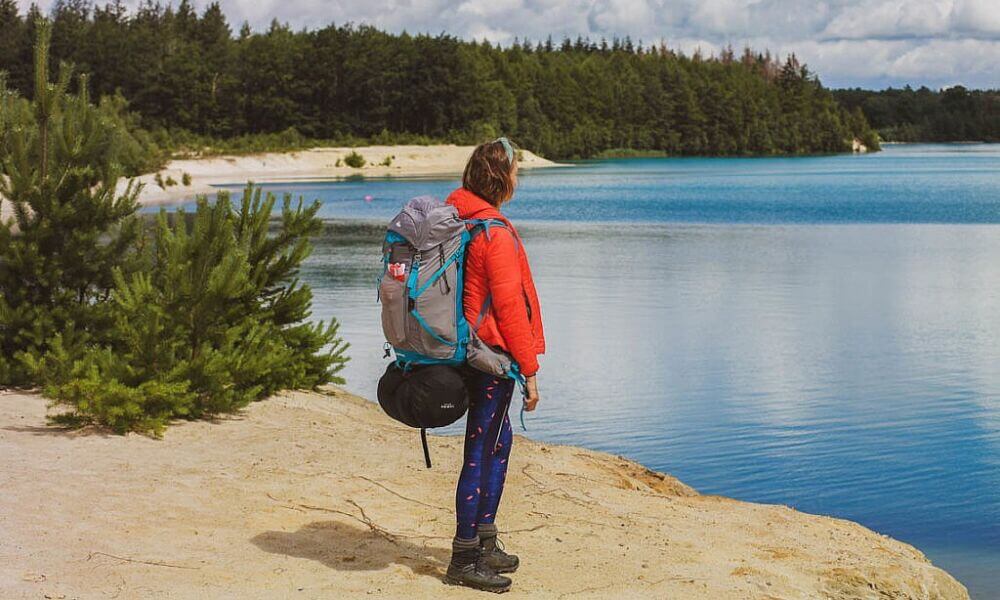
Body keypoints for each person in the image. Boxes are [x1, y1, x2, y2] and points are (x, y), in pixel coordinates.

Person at [444, 138, 545, 592]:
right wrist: (530, 369)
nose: (519, 178)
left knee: (496, 442)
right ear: (501, 179)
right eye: (516, 171)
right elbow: (509, 308)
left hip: (465, 349)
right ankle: (464, 557)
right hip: (490, 357)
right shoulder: (494, 234)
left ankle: (485, 541)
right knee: (481, 451)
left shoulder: (458, 218)